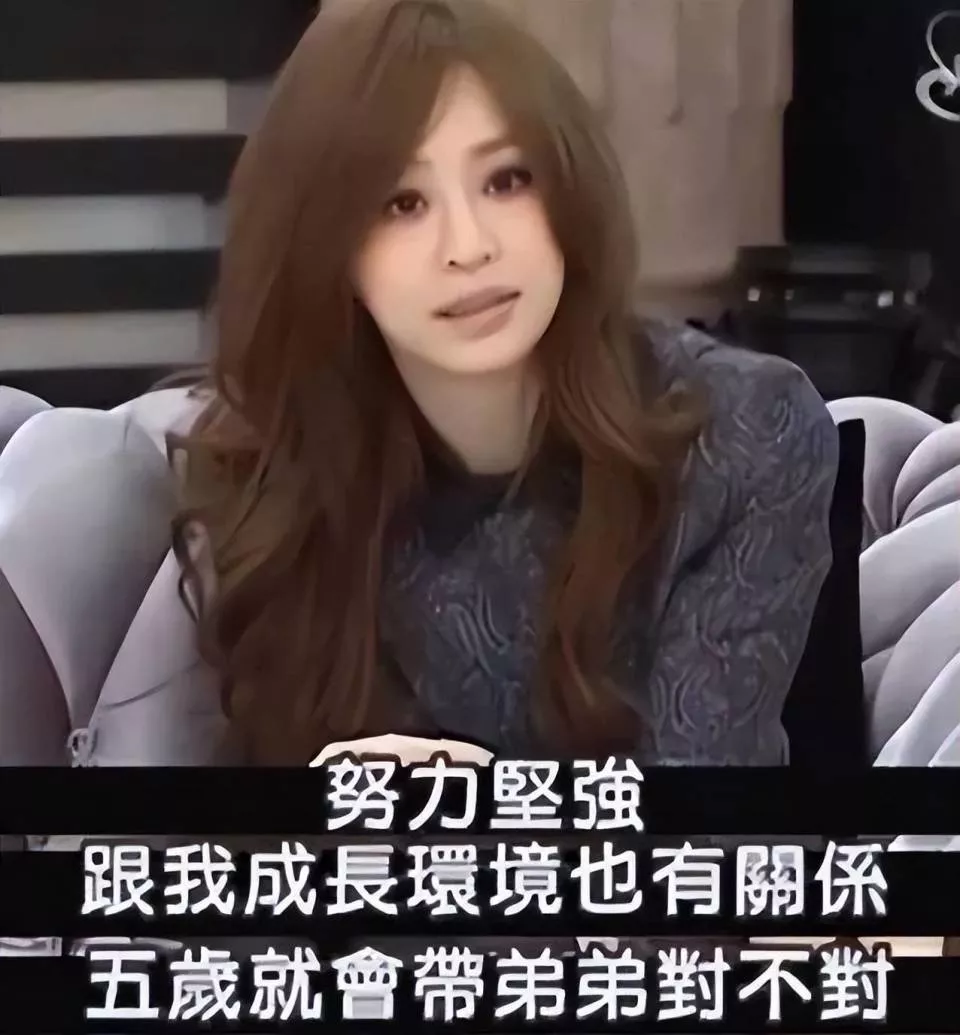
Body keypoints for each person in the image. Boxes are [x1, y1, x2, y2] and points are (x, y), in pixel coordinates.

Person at [169, 0, 839, 767]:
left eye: (506, 180)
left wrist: (490, 810)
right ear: (324, 244)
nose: (468, 246)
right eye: (402, 203)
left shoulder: (743, 434)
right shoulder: (267, 467)